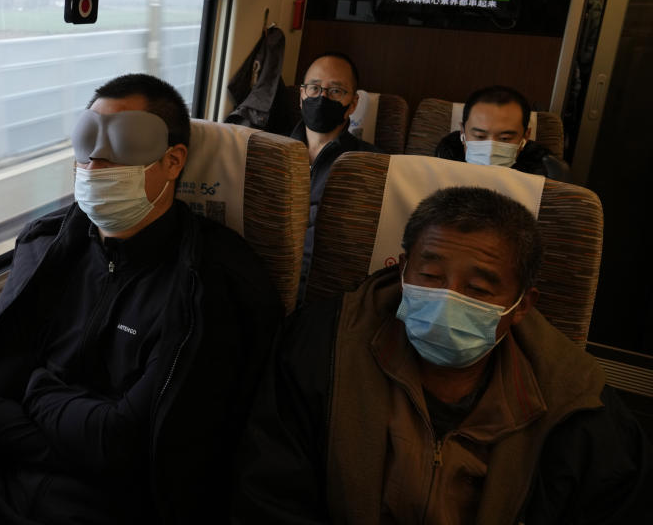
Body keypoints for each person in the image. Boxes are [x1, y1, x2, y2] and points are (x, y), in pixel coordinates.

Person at [0, 73, 282, 525]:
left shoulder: (216, 283)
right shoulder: (47, 248)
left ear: (174, 160)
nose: (95, 164)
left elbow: (129, 443)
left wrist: (37, 389)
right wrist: (69, 447)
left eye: (122, 144)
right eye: (88, 142)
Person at [233, 187, 652, 524]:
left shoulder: (577, 404)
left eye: (478, 289)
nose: (447, 299)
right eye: (430, 276)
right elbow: (268, 491)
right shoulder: (322, 346)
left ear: (522, 305)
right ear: (402, 271)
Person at [290, 52, 381, 300]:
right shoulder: (273, 152)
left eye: (336, 91)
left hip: (329, 296)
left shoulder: (371, 164)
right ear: (302, 95)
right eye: (314, 88)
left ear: (353, 103)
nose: (322, 97)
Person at [435, 86, 570, 180]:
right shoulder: (444, 158)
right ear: (463, 133)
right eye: (480, 136)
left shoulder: (543, 171)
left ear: (525, 136)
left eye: (505, 138)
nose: (491, 149)